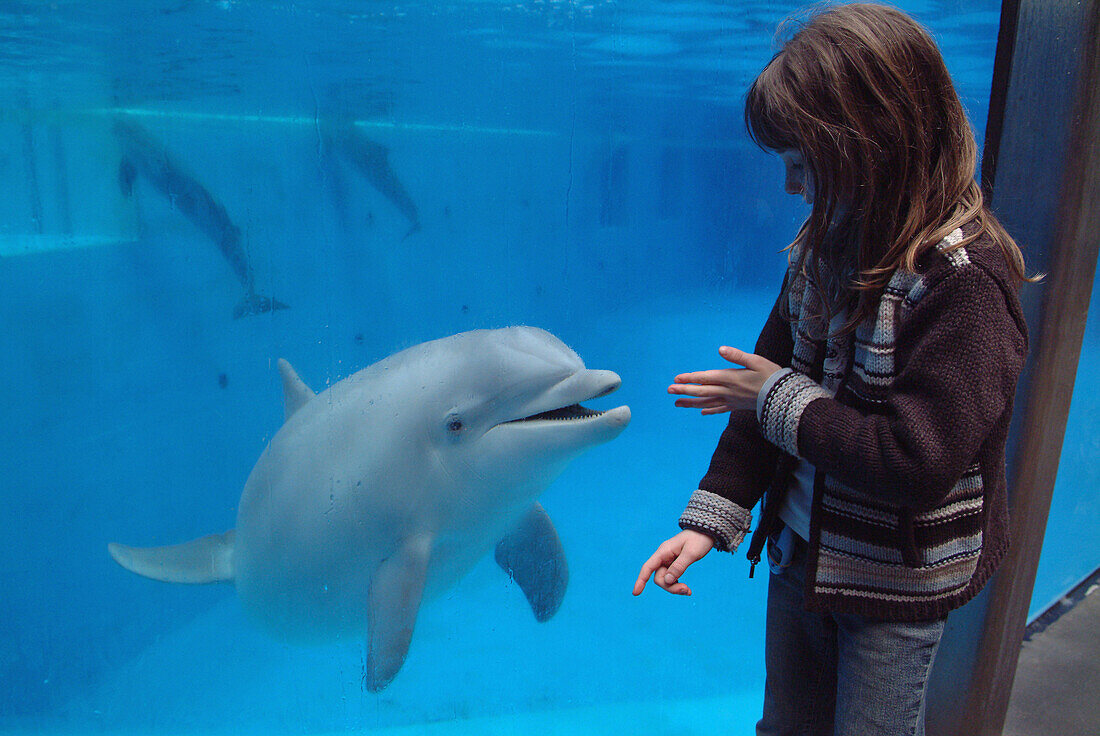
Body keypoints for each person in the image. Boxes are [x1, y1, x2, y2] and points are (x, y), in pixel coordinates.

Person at [633, 4, 1034, 735]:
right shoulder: (822, 253)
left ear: (871, 147)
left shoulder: (964, 282)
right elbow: (763, 400)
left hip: (895, 585)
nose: (791, 188)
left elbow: (916, 459)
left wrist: (775, 396)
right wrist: (714, 517)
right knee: (785, 725)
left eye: (801, 164)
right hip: (802, 554)